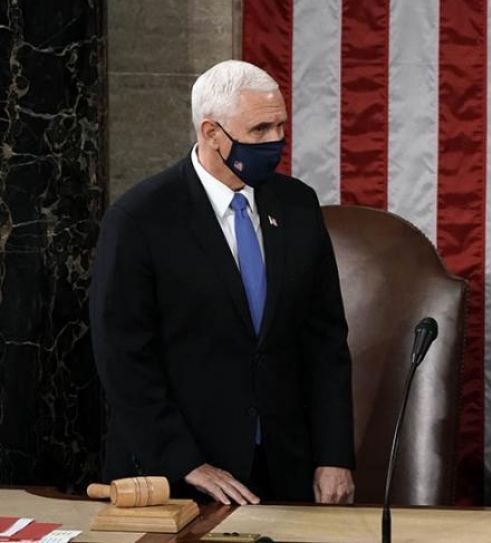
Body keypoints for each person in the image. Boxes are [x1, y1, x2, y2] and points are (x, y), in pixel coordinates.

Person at [90, 60, 355, 505]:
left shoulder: (298, 205)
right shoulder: (140, 218)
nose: (275, 141)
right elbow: (123, 359)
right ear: (211, 132)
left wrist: (333, 455)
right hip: (178, 474)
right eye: (260, 130)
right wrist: (186, 462)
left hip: (283, 469)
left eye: (280, 126)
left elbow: (326, 342)